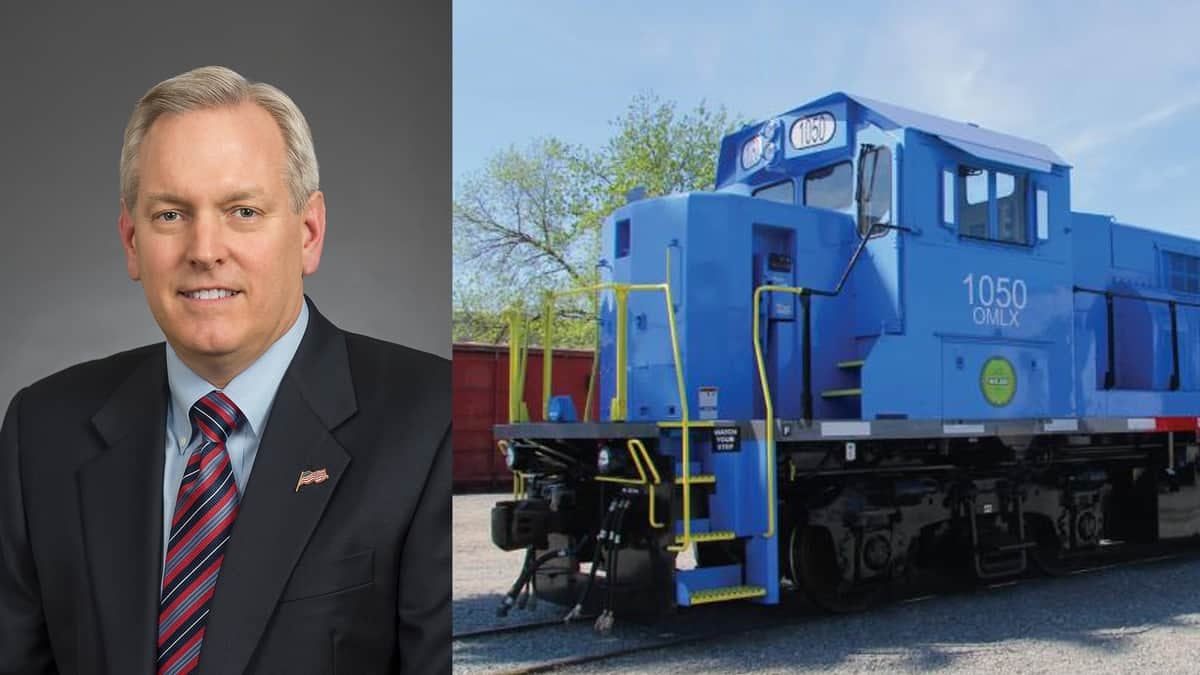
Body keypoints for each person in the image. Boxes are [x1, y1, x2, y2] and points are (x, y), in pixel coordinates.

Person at [0, 66, 450, 674]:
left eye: (242, 210)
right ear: (132, 241)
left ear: (309, 232)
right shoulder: (42, 432)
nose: (205, 249)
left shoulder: (427, 423)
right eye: (170, 215)